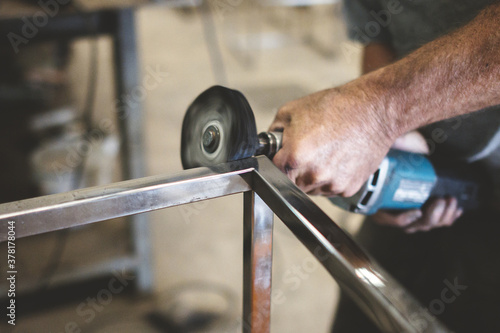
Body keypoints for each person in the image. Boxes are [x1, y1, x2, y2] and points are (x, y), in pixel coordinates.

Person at [268, 1, 499, 332]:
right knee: (368, 310)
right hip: (414, 165)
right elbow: (378, 28)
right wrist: (381, 147)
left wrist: (378, 113)